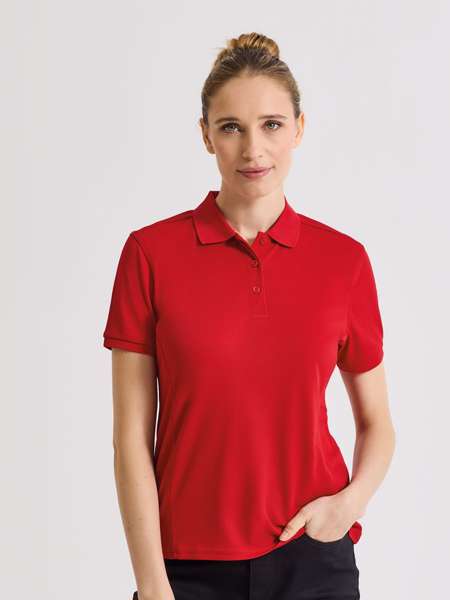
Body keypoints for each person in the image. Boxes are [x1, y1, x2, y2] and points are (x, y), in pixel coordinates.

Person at [103, 32, 395, 600]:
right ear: (206, 135)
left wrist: (348, 505)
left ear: (299, 129)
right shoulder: (150, 254)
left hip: (312, 560)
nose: (253, 149)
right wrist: (152, 584)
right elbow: (130, 440)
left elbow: (377, 422)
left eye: (272, 125)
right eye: (231, 127)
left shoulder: (344, 261)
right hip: (185, 567)